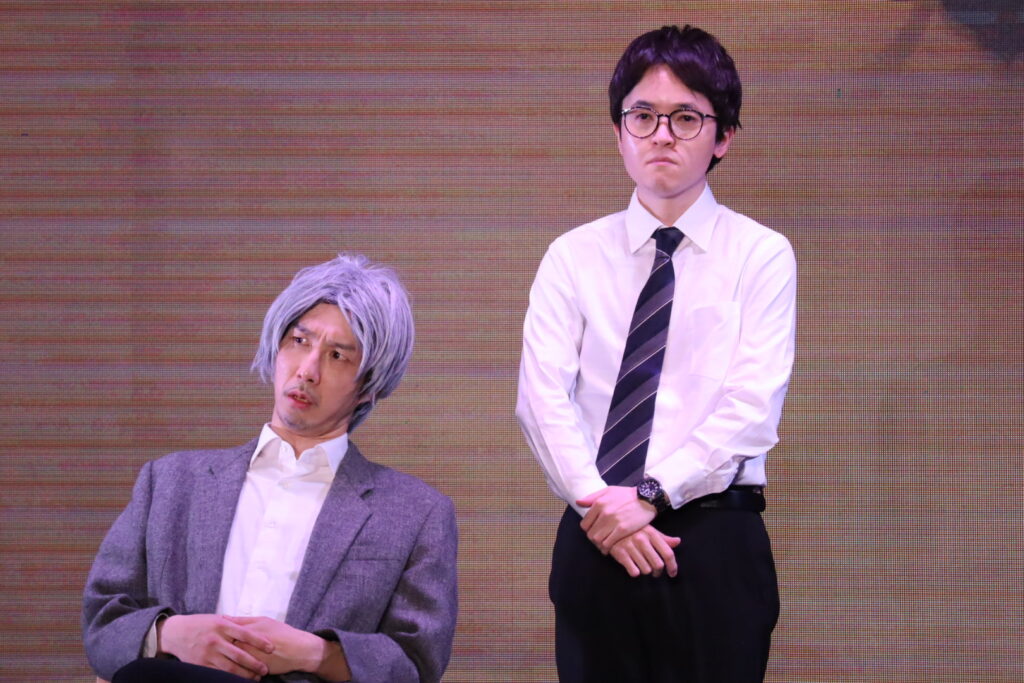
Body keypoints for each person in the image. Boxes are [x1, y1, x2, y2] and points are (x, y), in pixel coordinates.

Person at [516, 25, 796, 683]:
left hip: (714, 540)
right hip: (596, 531)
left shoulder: (761, 254)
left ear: (723, 136)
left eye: (685, 118)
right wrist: (601, 503)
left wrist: (650, 493)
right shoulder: (572, 256)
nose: (661, 135)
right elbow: (540, 400)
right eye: (642, 116)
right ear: (619, 132)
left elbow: (751, 407)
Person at [83, 254, 457, 683]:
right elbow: (102, 623)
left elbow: (417, 663)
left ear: (369, 386)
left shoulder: (416, 513)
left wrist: (315, 653)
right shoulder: (170, 482)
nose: (307, 370)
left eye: (337, 355)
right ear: (276, 345)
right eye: (299, 341)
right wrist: (170, 634)